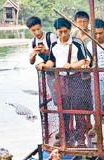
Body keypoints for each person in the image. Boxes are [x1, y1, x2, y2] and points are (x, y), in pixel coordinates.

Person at [36, 18, 90, 147]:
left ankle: (81, 138)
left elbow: (84, 60)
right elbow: (51, 61)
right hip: (61, 80)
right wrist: (44, 65)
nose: (63, 35)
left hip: (76, 78)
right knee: (63, 110)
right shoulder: (54, 45)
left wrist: (72, 65)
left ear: (70, 30)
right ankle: (66, 138)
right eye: (60, 32)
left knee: (78, 109)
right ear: (56, 31)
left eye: (65, 32)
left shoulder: (77, 43)